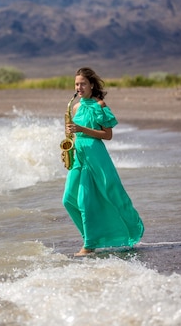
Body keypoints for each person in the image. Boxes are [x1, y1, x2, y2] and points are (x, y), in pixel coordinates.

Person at [62, 67, 144, 256]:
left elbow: (107, 135)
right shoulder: (74, 106)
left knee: (89, 200)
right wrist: (69, 147)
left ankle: (89, 245)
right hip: (78, 155)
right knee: (68, 199)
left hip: (96, 155)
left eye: (83, 83)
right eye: (76, 84)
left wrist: (81, 128)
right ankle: (91, 237)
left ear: (91, 85)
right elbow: (74, 133)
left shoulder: (100, 105)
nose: (79, 87)